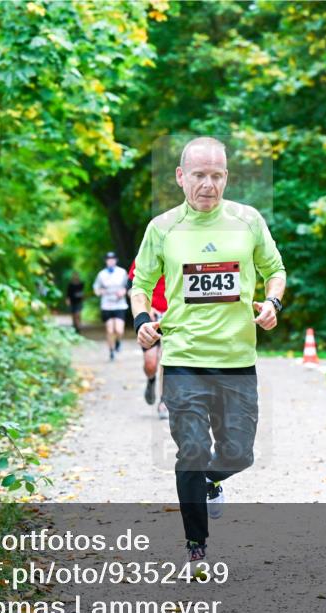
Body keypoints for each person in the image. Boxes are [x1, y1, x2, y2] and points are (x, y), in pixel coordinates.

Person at [131, 137, 286, 563]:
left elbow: (275, 271)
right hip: (183, 359)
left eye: (217, 175)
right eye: (199, 175)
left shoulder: (248, 221)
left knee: (239, 453)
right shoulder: (162, 228)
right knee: (192, 451)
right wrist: (143, 322)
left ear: (226, 177)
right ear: (181, 177)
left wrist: (272, 303)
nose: (208, 185)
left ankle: (213, 481)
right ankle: (196, 547)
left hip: (237, 359)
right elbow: (140, 286)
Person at [128, 260, 169, 419]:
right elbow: (132, 288)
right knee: (151, 364)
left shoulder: (184, 248)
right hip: (152, 313)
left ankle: (163, 402)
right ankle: (151, 380)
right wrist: (145, 308)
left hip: (173, 313)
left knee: (167, 360)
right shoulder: (147, 253)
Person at [93, 251, 129, 361]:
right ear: (106, 261)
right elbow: (96, 287)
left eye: (113, 259)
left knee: (119, 330)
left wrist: (124, 291)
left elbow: (128, 285)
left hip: (120, 305)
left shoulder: (122, 272)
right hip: (107, 305)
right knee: (109, 330)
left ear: (116, 260)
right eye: (109, 259)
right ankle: (111, 351)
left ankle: (118, 341)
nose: (111, 261)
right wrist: (100, 292)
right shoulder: (101, 274)